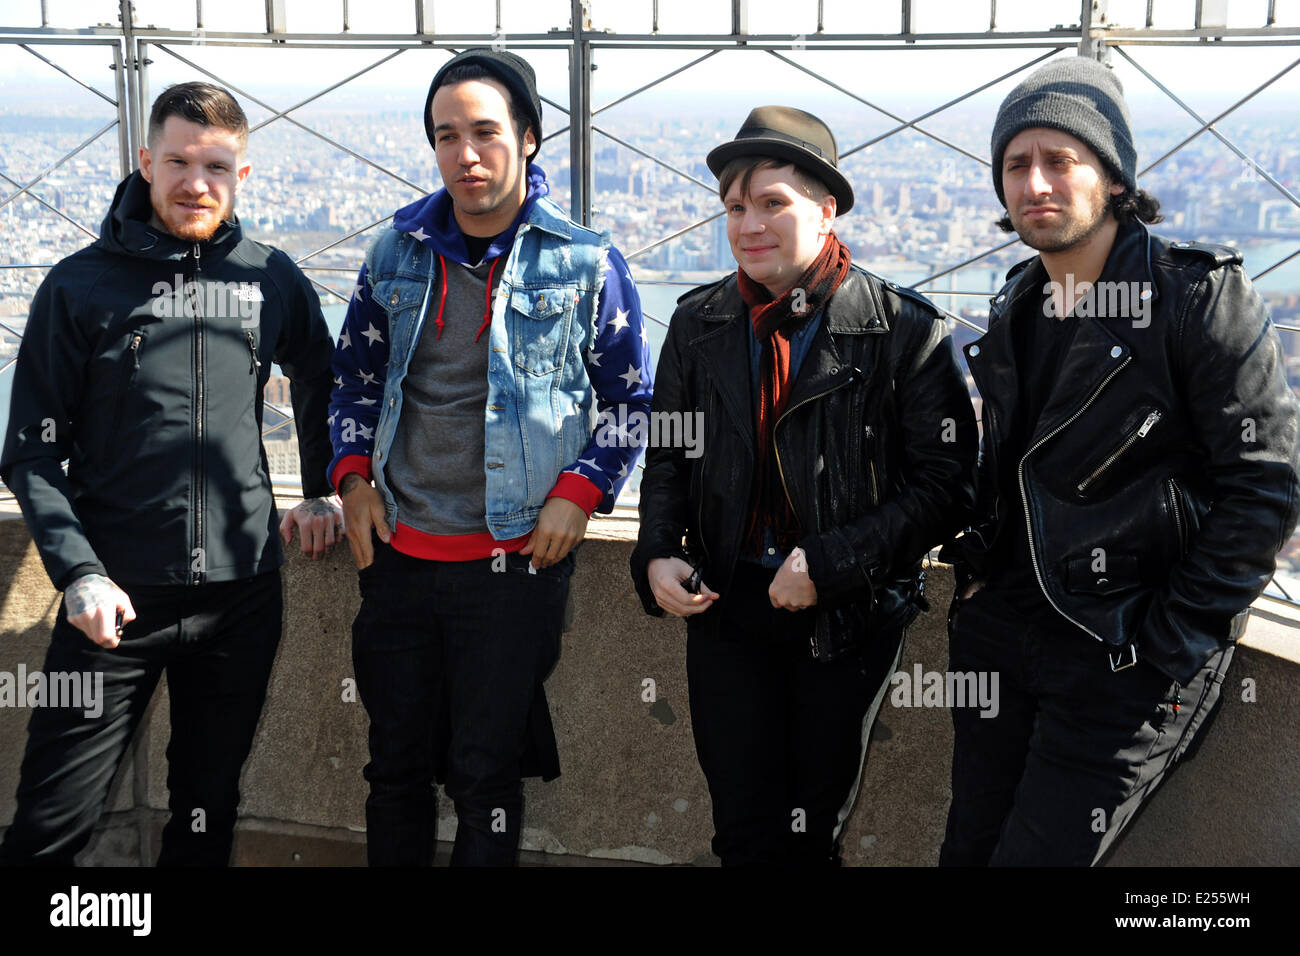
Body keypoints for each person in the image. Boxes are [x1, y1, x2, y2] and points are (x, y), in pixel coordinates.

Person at [939, 56, 1300, 866]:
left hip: (1122, 650)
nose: (1035, 183)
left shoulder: (1196, 297)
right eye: (1015, 164)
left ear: (1111, 173)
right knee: (967, 850)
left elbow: (1266, 489)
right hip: (1006, 638)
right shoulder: (1017, 301)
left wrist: (1164, 646)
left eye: (1060, 160)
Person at [0, 82, 341, 866]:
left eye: (217, 166)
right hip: (111, 600)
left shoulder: (269, 277)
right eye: (179, 161)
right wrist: (77, 571)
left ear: (242, 177)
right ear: (146, 162)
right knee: (50, 825)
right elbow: (30, 447)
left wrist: (320, 485)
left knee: (206, 812)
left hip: (243, 594)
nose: (196, 183)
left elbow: (322, 379)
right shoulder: (78, 285)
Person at [329, 48, 653, 867]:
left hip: (515, 565)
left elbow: (630, 406)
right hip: (399, 553)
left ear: (531, 138)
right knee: (394, 769)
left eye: (484, 132)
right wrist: (351, 479)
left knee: (485, 774)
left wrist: (579, 492)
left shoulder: (584, 262)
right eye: (446, 136)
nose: (465, 155)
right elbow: (354, 384)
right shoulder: (393, 255)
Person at [630, 106, 978, 865]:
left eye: (772, 202)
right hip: (725, 605)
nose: (748, 224)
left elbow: (949, 486)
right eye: (734, 207)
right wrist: (656, 551)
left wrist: (828, 562)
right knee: (742, 825)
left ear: (827, 209)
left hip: (845, 617)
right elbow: (669, 459)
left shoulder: (900, 330)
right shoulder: (699, 324)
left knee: (809, 822)